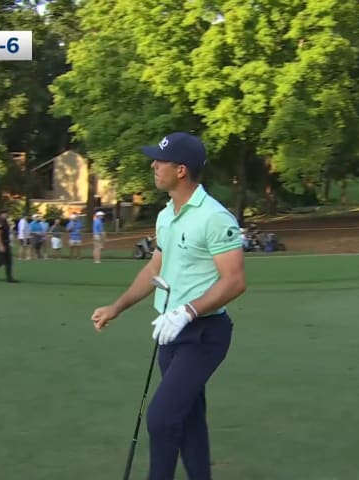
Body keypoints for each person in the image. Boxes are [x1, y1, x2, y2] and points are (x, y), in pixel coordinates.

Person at [91, 132, 246, 480]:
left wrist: (187, 311)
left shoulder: (214, 217)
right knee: (188, 419)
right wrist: (117, 307)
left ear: (180, 170)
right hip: (169, 334)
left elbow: (234, 281)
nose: (153, 166)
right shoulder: (166, 216)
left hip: (204, 334)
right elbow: (154, 269)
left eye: (159, 161)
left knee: (161, 418)